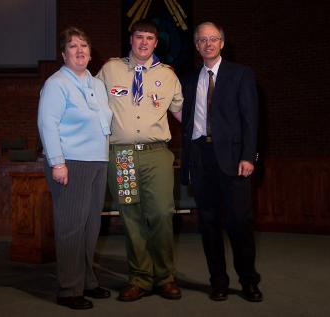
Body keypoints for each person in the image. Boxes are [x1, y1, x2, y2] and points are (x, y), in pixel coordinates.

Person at [96, 19, 183, 301]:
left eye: (149, 38)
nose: (144, 42)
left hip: (156, 154)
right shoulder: (110, 70)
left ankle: (165, 277)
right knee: (131, 217)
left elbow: (186, 114)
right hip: (121, 157)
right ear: (130, 40)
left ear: (156, 43)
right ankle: (140, 278)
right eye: (139, 37)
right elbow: (89, 102)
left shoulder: (168, 75)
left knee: (160, 214)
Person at [180, 21, 263, 302]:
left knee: (240, 222)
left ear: (222, 43)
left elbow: (251, 119)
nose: (208, 44)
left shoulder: (241, 74)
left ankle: (249, 280)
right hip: (201, 160)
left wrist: (248, 156)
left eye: (213, 39)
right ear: (196, 46)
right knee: (209, 223)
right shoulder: (190, 80)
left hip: (234, 160)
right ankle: (218, 281)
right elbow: (187, 121)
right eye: (202, 40)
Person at [37, 27, 113, 310]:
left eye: (84, 46)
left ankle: (87, 281)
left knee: (91, 226)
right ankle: (69, 289)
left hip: (97, 161)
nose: (79, 50)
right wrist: (58, 163)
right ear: (63, 53)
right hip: (70, 163)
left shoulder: (96, 84)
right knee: (71, 227)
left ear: (91, 53)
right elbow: (48, 124)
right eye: (73, 46)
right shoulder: (57, 84)